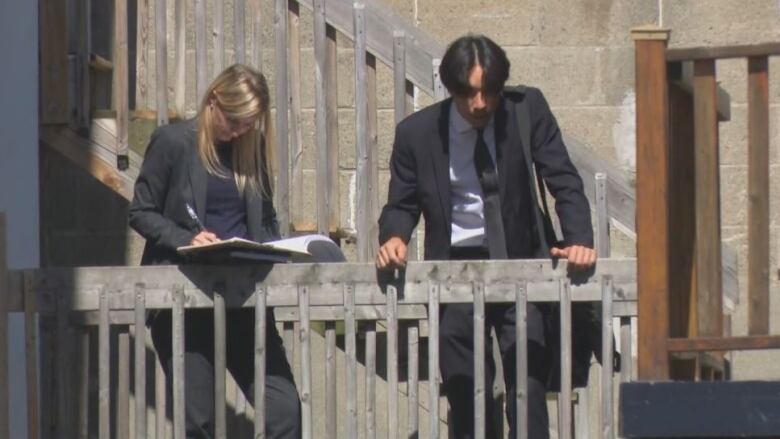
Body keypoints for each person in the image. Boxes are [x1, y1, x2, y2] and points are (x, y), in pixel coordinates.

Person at [376, 35, 596, 439]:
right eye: (469, 94)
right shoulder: (417, 134)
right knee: (465, 391)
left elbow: (563, 179)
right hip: (455, 269)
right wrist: (395, 237)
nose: (480, 104)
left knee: (528, 388)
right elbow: (401, 204)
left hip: (521, 264)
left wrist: (579, 238)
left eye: (489, 92)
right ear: (451, 89)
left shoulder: (526, 110)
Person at [129, 64, 301, 439]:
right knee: (199, 420)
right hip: (184, 302)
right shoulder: (173, 143)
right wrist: (185, 239)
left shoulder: (251, 152)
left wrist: (280, 247)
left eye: (249, 124)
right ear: (213, 102)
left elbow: (266, 218)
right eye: (234, 121)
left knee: (285, 411)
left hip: (244, 299)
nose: (240, 131)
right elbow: (141, 211)